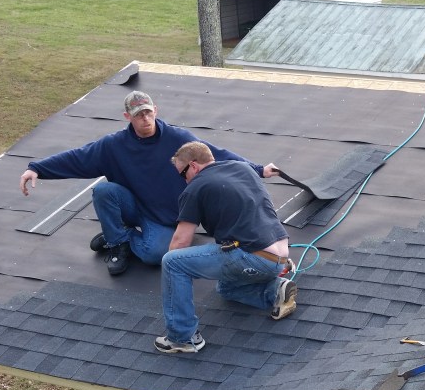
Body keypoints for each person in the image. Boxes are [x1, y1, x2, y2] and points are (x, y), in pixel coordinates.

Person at [19, 91, 278, 276]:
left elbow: (217, 155)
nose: (144, 118)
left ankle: (123, 236)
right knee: (103, 191)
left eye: (147, 112)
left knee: (155, 256)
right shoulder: (113, 145)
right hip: (136, 205)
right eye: (138, 115)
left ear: (155, 111)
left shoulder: (179, 138)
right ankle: (117, 243)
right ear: (127, 117)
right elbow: (78, 157)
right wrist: (37, 169)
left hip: (166, 217)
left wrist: (258, 169)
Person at [154, 141, 297, 353]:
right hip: (280, 255)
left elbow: (180, 242)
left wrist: (172, 284)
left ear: (193, 166)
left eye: (182, 174)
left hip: (251, 256)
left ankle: (182, 337)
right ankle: (274, 291)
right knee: (225, 287)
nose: (184, 180)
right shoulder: (242, 167)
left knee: (172, 262)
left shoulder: (195, 187)